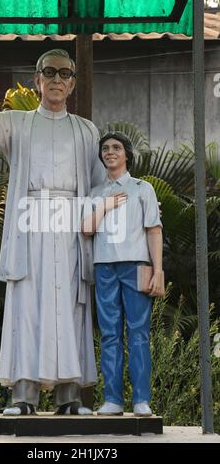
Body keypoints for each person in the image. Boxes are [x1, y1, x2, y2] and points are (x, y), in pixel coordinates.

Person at [0, 18, 106, 415]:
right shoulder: (16, 125)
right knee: (28, 306)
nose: (57, 79)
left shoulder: (88, 131)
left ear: (72, 84)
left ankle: (70, 396)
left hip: (72, 227)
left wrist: (136, 205)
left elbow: (104, 186)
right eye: (49, 72)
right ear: (37, 80)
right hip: (30, 224)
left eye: (64, 73)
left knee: (71, 306)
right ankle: (24, 395)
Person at [81, 132, 163, 416]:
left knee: (138, 333)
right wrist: (104, 206)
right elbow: (87, 229)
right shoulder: (95, 193)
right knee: (109, 335)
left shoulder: (143, 189)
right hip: (104, 267)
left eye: (116, 147)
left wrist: (158, 271)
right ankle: (112, 400)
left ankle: (141, 400)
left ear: (127, 154)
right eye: (105, 148)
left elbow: (154, 230)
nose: (110, 152)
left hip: (137, 266)